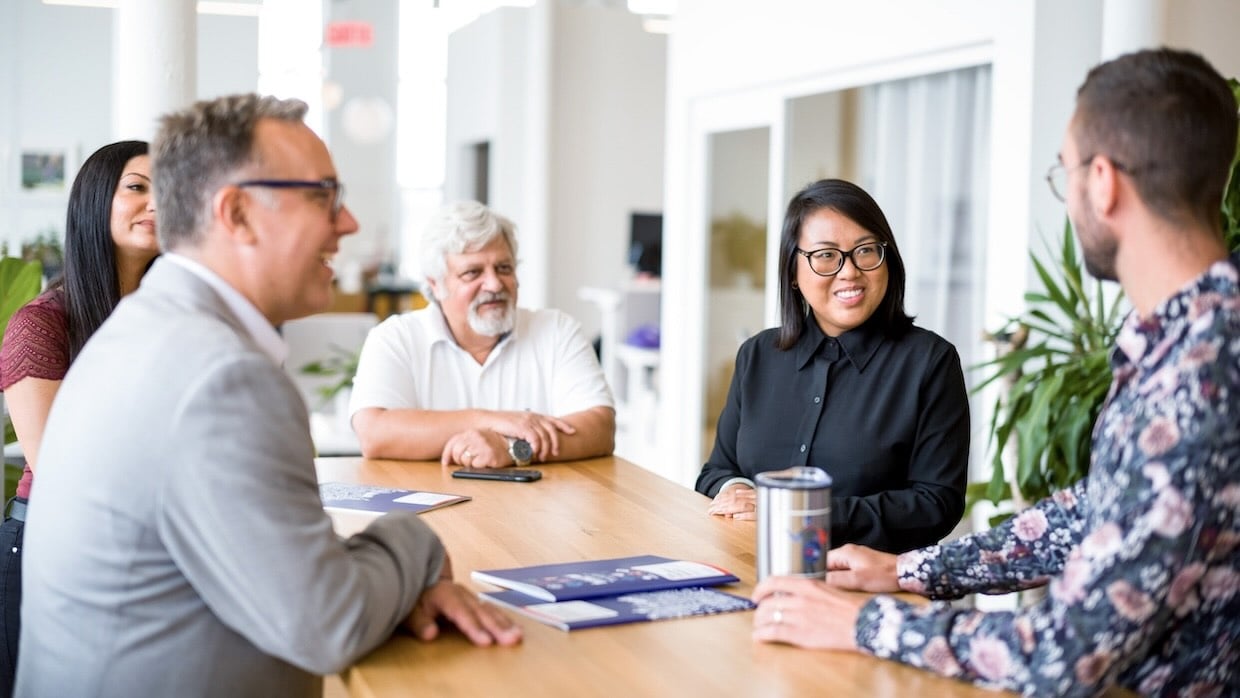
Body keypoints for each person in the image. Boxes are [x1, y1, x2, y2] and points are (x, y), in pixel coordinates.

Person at [751, 48, 1239, 696]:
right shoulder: (1185, 337)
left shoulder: (1198, 379)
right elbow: (1090, 515)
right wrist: (910, 572)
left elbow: (1067, 652)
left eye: (1062, 175)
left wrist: (867, 622)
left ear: (1103, 182)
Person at [15, 94, 520, 696]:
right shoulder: (221, 376)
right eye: (322, 196)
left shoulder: (147, 327)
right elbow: (328, 623)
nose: (349, 222)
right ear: (237, 214)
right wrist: (417, 545)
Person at [695, 179, 970, 554]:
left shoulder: (930, 362)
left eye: (866, 250)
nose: (850, 272)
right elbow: (716, 472)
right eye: (826, 255)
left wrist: (806, 514)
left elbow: (937, 503)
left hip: (870, 588)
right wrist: (740, 493)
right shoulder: (757, 355)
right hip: (754, 565)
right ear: (793, 271)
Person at [0, 139, 159, 694]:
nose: (157, 202)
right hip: (53, 544)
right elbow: (61, 469)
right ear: (94, 202)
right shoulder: (41, 325)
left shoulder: (173, 321)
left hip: (147, 548)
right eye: (138, 187)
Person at [350, 200, 615, 468]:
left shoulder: (557, 330)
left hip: (536, 506)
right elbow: (374, 434)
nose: (494, 283)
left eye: (504, 268)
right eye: (472, 272)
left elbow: (600, 428)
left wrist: (511, 447)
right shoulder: (395, 338)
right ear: (436, 284)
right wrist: (487, 420)